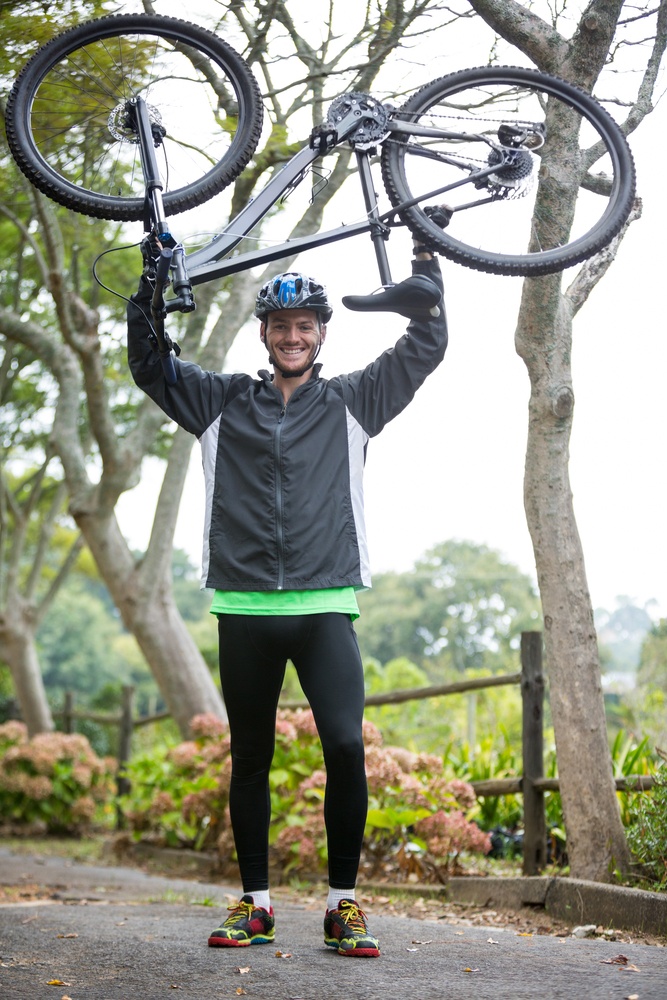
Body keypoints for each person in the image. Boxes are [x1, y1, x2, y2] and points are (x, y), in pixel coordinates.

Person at [127, 242, 447, 958]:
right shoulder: (219, 402)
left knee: (343, 745)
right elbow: (149, 365)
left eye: (305, 325)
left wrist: (427, 268)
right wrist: (149, 286)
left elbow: (424, 345)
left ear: (321, 333)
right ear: (264, 334)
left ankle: (342, 905)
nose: (292, 336)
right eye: (280, 326)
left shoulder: (353, 401)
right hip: (244, 609)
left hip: (326, 603)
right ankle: (256, 905)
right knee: (249, 758)